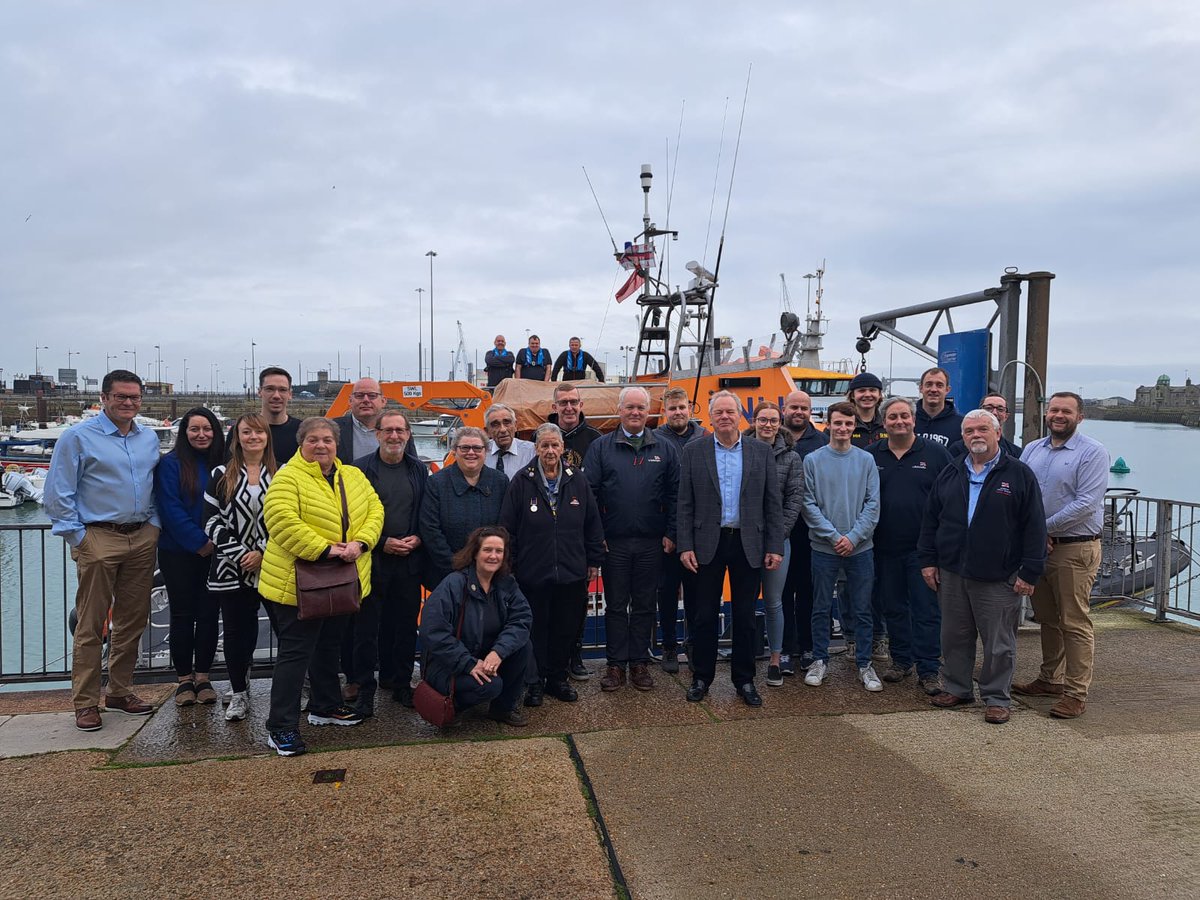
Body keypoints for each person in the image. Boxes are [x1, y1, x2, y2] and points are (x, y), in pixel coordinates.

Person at [258, 417, 384, 756]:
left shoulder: (353, 476)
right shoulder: (287, 477)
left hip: (343, 578)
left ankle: (325, 705)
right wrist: (325, 549)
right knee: (295, 655)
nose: (321, 445)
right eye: (313, 439)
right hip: (297, 583)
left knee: (330, 645)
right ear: (302, 443)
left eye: (327, 439)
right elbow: (281, 521)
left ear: (336, 444)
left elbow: (375, 510)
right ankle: (280, 727)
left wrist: (361, 543)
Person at [45, 370, 162, 732]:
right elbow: (57, 493)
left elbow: (154, 486)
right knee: (91, 624)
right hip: (97, 538)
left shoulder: (149, 439)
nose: (129, 403)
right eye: (121, 397)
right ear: (105, 398)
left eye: (135, 397)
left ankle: (120, 691)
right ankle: (85, 702)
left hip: (141, 537)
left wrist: (154, 526)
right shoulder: (77, 437)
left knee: (133, 620)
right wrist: (78, 539)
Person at [918, 409, 1047, 725]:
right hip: (952, 571)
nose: (975, 435)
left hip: (997, 574)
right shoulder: (950, 473)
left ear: (997, 433)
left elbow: (1035, 526)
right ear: (962, 437)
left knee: (999, 642)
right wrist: (928, 560)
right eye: (969, 431)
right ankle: (958, 688)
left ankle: (996, 697)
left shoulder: (1018, 474)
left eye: (982, 430)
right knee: (954, 636)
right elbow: (931, 520)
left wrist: (1030, 571)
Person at [678, 391, 783, 706]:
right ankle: (701, 678)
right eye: (719, 412)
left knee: (745, 616)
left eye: (730, 411)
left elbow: (772, 504)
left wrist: (774, 545)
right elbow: (684, 503)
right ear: (710, 417)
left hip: (748, 541)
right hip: (706, 542)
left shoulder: (760, 452)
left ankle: (745, 680)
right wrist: (685, 545)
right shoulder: (693, 451)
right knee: (704, 614)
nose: (724, 416)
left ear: (740, 415)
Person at [1014, 392, 1108, 719]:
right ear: (1046, 413)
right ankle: (1049, 678)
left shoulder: (1093, 452)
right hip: (1040, 549)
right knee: (1048, 619)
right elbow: (1021, 494)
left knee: (1074, 621)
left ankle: (1076, 693)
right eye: (1054, 409)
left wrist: (1043, 530)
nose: (1058, 415)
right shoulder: (1032, 450)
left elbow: (1086, 503)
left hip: (1074, 548)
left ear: (1079, 416)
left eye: (1066, 411)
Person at [500, 424, 604, 706]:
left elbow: (592, 522)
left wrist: (594, 559)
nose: (549, 451)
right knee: (535, 629)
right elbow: (508, 528)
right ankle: (535, 682)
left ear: (562, 449)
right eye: (544, 445)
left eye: (554, 445)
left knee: (565, 627)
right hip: (533, 573)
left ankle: (557, 678)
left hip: (571, 571)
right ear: (536, 449)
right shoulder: (522, 481)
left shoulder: (577, 479)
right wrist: (513, 565)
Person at [584, 385, 679, 692]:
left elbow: (676, 495)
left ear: (649, 411)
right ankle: (615, 665)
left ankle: (638, 662)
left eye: (641, 408)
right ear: (620, 410)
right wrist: (597, 537)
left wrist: (671, 532)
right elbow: (590, 496)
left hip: (652, 542)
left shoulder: (664, 448)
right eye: (630, 407)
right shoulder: (601, 447)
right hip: (614, 543)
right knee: (614, 605)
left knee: (643, 605)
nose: (635, 412)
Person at [866, 397, 951, 696]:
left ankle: (929, 668)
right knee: (894, 607)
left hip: (923, 550)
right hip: (884, 547)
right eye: (892, 417)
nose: (899, 421)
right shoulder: (871, 455)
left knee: (926, 609)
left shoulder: (937, 454)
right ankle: (901, 660)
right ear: (884, 422)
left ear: (913, 419)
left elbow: (949, 501)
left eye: (904, 416)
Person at [350, 410, 429, 713]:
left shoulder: (418, 469)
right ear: (377, 434)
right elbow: (353, 516)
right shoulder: (359, 470)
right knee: (366, 628)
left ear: (409, 434)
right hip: (373, 559)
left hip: (409, 560)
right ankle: (364, 688)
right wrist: (382, 542)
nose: (395, 436)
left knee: (406, 626)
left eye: (401, 430)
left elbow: (425, 509)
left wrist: (419, 537)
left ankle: (400, 683)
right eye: (389, 430)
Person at [801, 401, 882, 693]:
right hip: (824, 548)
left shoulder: (866, 460)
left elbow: (873, 504)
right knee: (821, 607)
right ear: (829, 424)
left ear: (853, 426)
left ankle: (864, 663)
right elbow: (807, 503)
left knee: (862, 609)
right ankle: (820, 660)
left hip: (860, 549)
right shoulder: (812, 460)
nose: (843, 428)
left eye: (848, 424)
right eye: (838, 423)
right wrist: (835, 537)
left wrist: (854, 537)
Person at [419, 526, 532, 727]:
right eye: (487, 550)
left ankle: (502, 709)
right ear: (474, 553)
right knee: (491, 686)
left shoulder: (507, 583)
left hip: (486, 655)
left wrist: (498, 652)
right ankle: (453, 706)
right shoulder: (454, 584)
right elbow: (432, 630)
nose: (493, 556)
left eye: (499, 551)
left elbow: (521, 619)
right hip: (448, 664)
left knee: (524, 647)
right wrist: (468, 663)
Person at [204, 413, 277, 721]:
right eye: (247, 432)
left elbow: (288, 519)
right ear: (237, 437)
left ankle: (289, 688)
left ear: (266, 438)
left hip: (273, 564)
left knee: (285, 630)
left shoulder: (282, 473)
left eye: (259, 433)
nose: (253, 438)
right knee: (236, 633)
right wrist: (239, 553)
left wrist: (261, 551)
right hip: (230, 568)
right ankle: (238, 692)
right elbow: (210, 520)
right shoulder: (221, 474)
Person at [156, 407, 226, 707]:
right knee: (182, 614)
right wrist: (199, 542)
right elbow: (169, 508)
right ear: (184, 433)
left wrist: (216, 543)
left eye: (207, 428)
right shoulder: (170, 464)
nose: (201, 434)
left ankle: (203, 676)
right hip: (178, 552)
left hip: (217, 552)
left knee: (210, 615)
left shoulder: (224, 464)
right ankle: (184, 679)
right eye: (194, 429)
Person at [652, 387, 710, 673]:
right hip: (668, 531)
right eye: (672, 408)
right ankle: (669, 646)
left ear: (691, 408)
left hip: (700, 531)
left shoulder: (704, 438)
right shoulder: (656, 439)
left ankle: (694, 643)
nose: (678, 412)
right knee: (666, 591)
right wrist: (669, 531)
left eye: (682, 407)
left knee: (697, 592)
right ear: (665, 410)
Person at [747, 402, 804, 687]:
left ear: (779, 422)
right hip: (745, 538)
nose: (767, 425)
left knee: (774, 601)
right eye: (762, 420)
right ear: (753, 420)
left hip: (777, 540)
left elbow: (794, 499)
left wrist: (778, 536)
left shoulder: (791, 458)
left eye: (772, 420)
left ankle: (775, 659)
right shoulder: (741, 451)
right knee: (745, 602)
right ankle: (744, 658)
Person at [419, 427, 509, 585]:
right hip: (446, 575)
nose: (471, 452)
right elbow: (430, 529)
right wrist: (454, 566)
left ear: (485, 451)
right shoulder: (436, 483)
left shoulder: (500, 481)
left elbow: (506, 524)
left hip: (490, 573)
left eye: (477, 448)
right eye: (465, 448)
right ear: (454, 451)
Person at [779, 390, 829, 674]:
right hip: (780, 532)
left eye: (804, 408)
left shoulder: (822, 442)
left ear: (810, 412)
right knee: (782, 593)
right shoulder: (773, 440)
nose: (799, 412)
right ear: (784, 408)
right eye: (794, 406)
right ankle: (785, 648)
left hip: (812, 532)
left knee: (810, 592)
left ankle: (809, 647)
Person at [948, 393, 1022, 459]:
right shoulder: (958, 449)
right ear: (979, 411)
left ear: (1006, 416)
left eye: (1000, 409)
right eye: (989, 408)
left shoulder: (1015, 453)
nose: (994, 413)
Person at [547, 382, 601, 470]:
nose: (569, 408)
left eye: (573, 402)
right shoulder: (541, 436)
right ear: (554, 407)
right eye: (563, 403)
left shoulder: (596, 439)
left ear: (581, 405)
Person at [333, 377, 385, 464]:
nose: (366, 400)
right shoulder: (333, 428)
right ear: (350, 401)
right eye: (359, 395)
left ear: (383, 401)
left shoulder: (398, 431)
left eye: (372, 395)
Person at [257, 367, 302, 467]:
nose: (276, 395)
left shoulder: (303, 431)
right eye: (270, 389)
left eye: (282, 390)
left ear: (290, 394)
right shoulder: (242, 431)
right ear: (259, 392)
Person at [914, 367, 964, 448]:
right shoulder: (907, 421)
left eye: (939, 385)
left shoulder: (961, 424)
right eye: (929, 384)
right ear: (921, 388)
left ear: (947, 390)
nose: (933, 389)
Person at [484, 404, 536, 476]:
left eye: (507, 423)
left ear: (515, 426)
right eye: (496, 424)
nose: (503, 429)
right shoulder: (480, 452)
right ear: (487, 431)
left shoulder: (531, 451)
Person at [847, 372, 887, 448]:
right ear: (852, 395)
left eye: (872, 390)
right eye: (861, 391)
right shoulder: (842, 425)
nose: (867, 395)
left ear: (879, 395)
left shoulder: (888, 425)